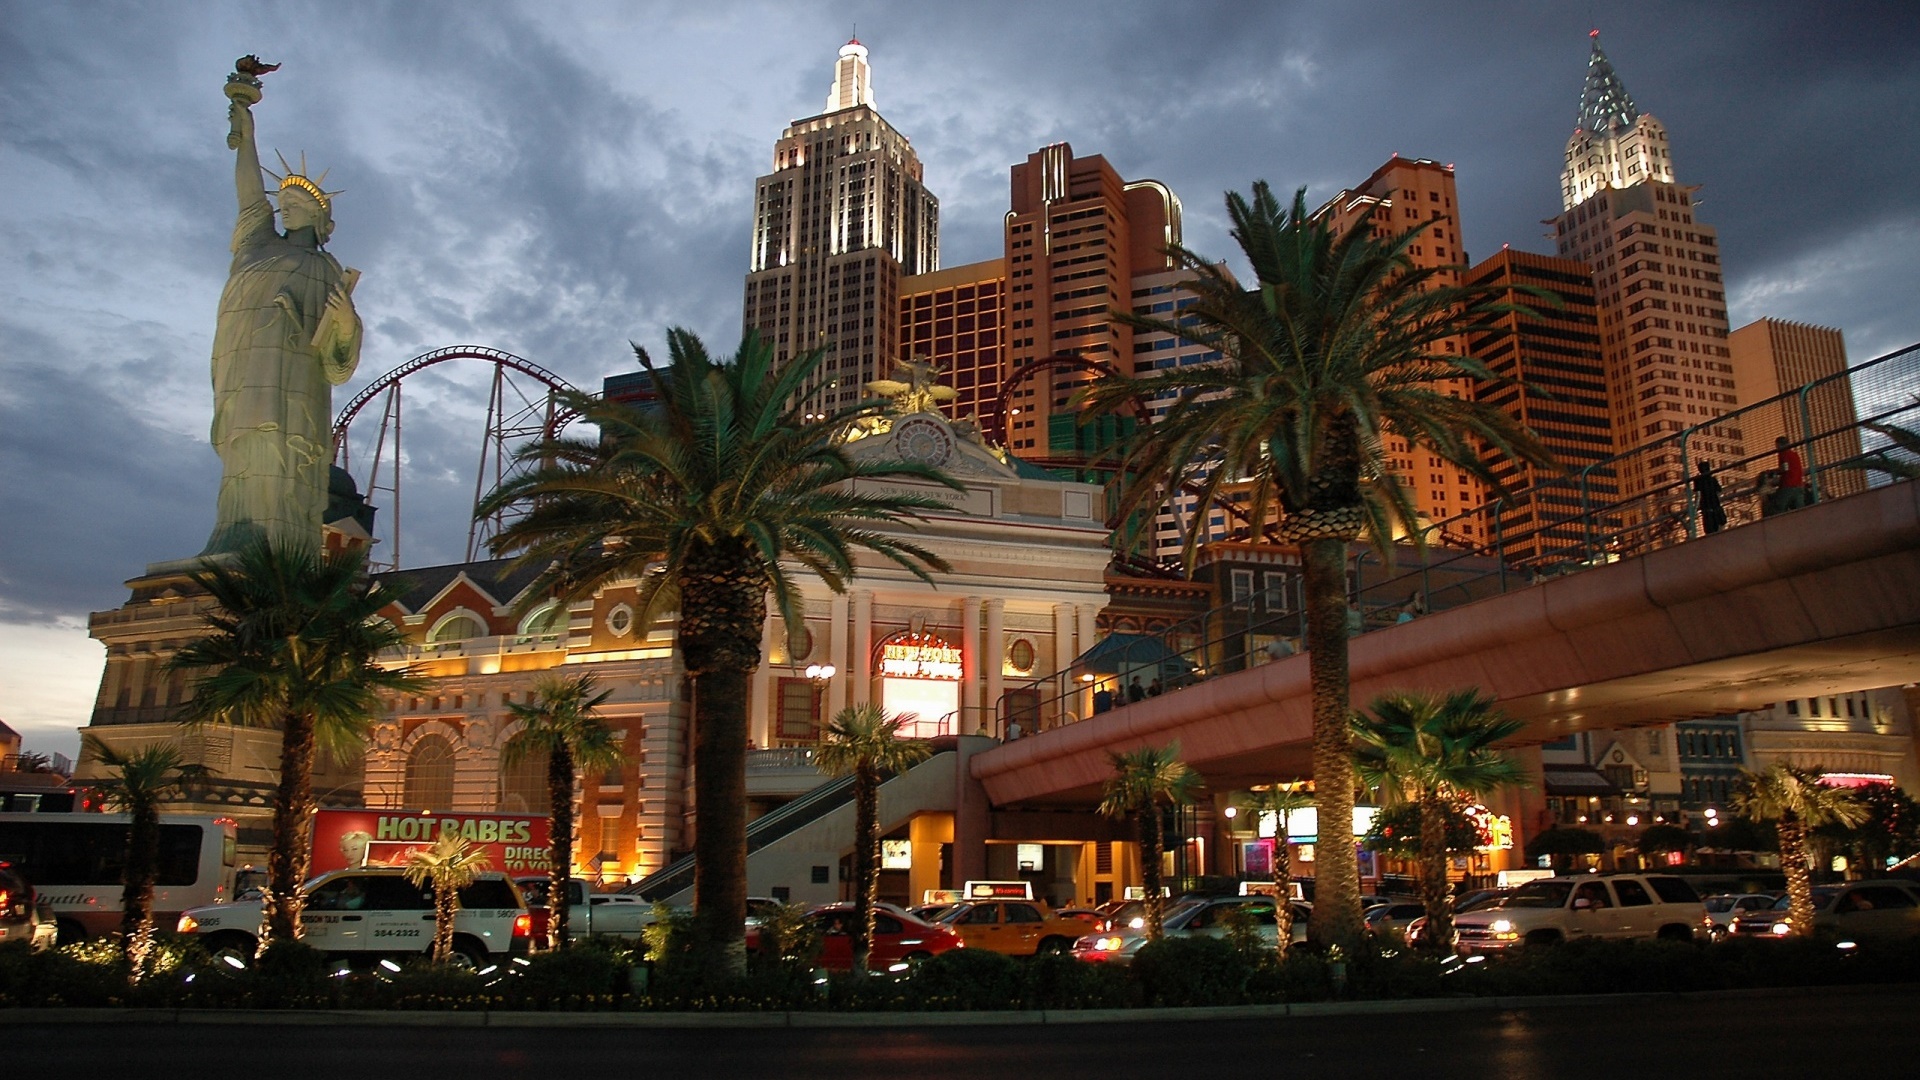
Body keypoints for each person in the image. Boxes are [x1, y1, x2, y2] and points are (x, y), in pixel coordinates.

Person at [204, 80, 364, 555]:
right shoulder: (257, 243)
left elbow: (338, 361)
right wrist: (247, 136)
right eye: (284, 204)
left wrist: (347, 322)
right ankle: (236, 535)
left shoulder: (326, 269)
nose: (286, 209)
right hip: (243, 367)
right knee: (245, 446)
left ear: (321, 219)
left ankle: (281, 543)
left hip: (294, 380)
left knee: (282, 448)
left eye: (298, 206)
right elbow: (249, 194)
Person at [1770, 436, 1809, 515]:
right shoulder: (1795, 455)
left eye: (1777, 446)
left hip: (1788, 485)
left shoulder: (1783, 453)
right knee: (1801, 510)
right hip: (1799, 485)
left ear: (1779, 445)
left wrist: (1773, 471)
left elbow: (1785, 468)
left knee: (1779, 508)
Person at [1693, 460, 1727, 534]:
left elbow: (1698, 495)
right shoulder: (1712, 479)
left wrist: (1695, 509)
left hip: (1707, 510)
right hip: (1716, 508)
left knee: (1710, 531)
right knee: (1721, 530)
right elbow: (1719, 492)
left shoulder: (1698, 480)